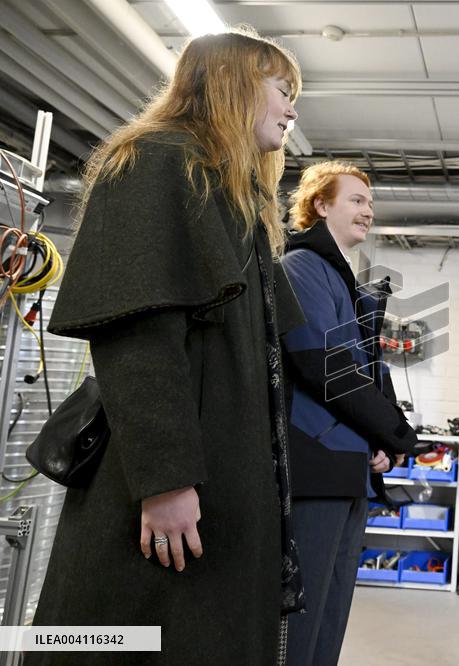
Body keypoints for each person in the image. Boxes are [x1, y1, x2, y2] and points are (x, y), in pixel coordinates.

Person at [31, 30, 304, 664]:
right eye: (281, 90)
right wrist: (167, 481)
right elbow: (138, 337)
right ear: (234, 85)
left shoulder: (234, 190)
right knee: (130, 636)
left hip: (223, 473)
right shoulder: (155, 162)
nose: (292, 109)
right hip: (171, 480)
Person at [281, 161, 418, 664]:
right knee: (301, 622)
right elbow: (327, 366)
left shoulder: (341, 278)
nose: (368, 210)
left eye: (370, 202)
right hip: (316, 468)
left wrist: (378, 440)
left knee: (330, 617)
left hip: (347, 467)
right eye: (356, 200)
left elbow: (364, 369)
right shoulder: (301, 267)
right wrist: (397, 433)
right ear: (320, 205)